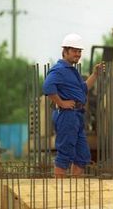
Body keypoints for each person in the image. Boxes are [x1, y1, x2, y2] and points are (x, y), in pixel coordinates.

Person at [43, 33, 104, 178]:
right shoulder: (59, 69)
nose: (78, 54)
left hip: (76, 115)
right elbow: (47, 86)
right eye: (75, 51)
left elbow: (83, 89)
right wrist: (61, 103)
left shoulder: (72, 71)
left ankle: (74, 192)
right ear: (65, 51)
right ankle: (59, 192)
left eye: (79, 51)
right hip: (66, 116)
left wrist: (95, 75)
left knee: (82, 155)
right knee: (65, 153)